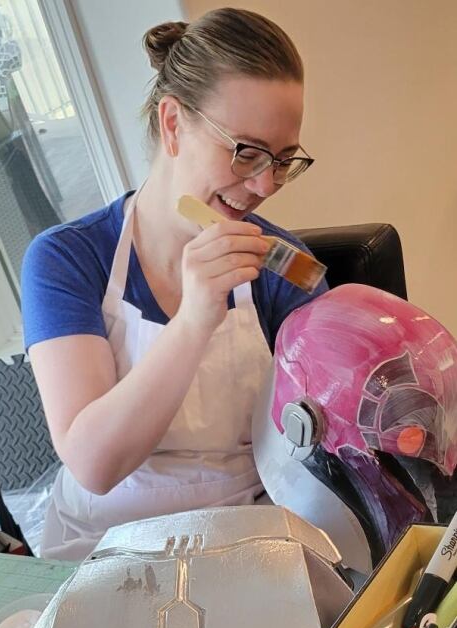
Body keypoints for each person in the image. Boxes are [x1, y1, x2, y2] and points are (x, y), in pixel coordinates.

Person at [22, 8, 326, 560]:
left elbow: (326, 439)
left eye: (283, 160)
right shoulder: (67, 260)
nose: (263, 184)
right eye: (245, 151)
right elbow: (95, 465)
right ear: (172, 123)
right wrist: (193, 322)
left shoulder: (282, 270)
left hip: (241, 540)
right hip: (102, 548)